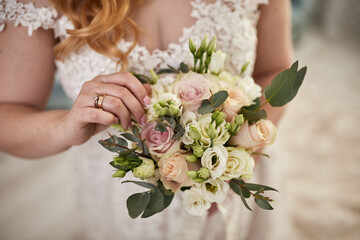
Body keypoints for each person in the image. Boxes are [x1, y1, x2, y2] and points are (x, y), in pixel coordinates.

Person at [0, 0, 293, 239]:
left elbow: (276, 69)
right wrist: (65, 127)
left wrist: (238, 154)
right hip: (118, 194)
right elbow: (8, 112)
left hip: (235, 180)